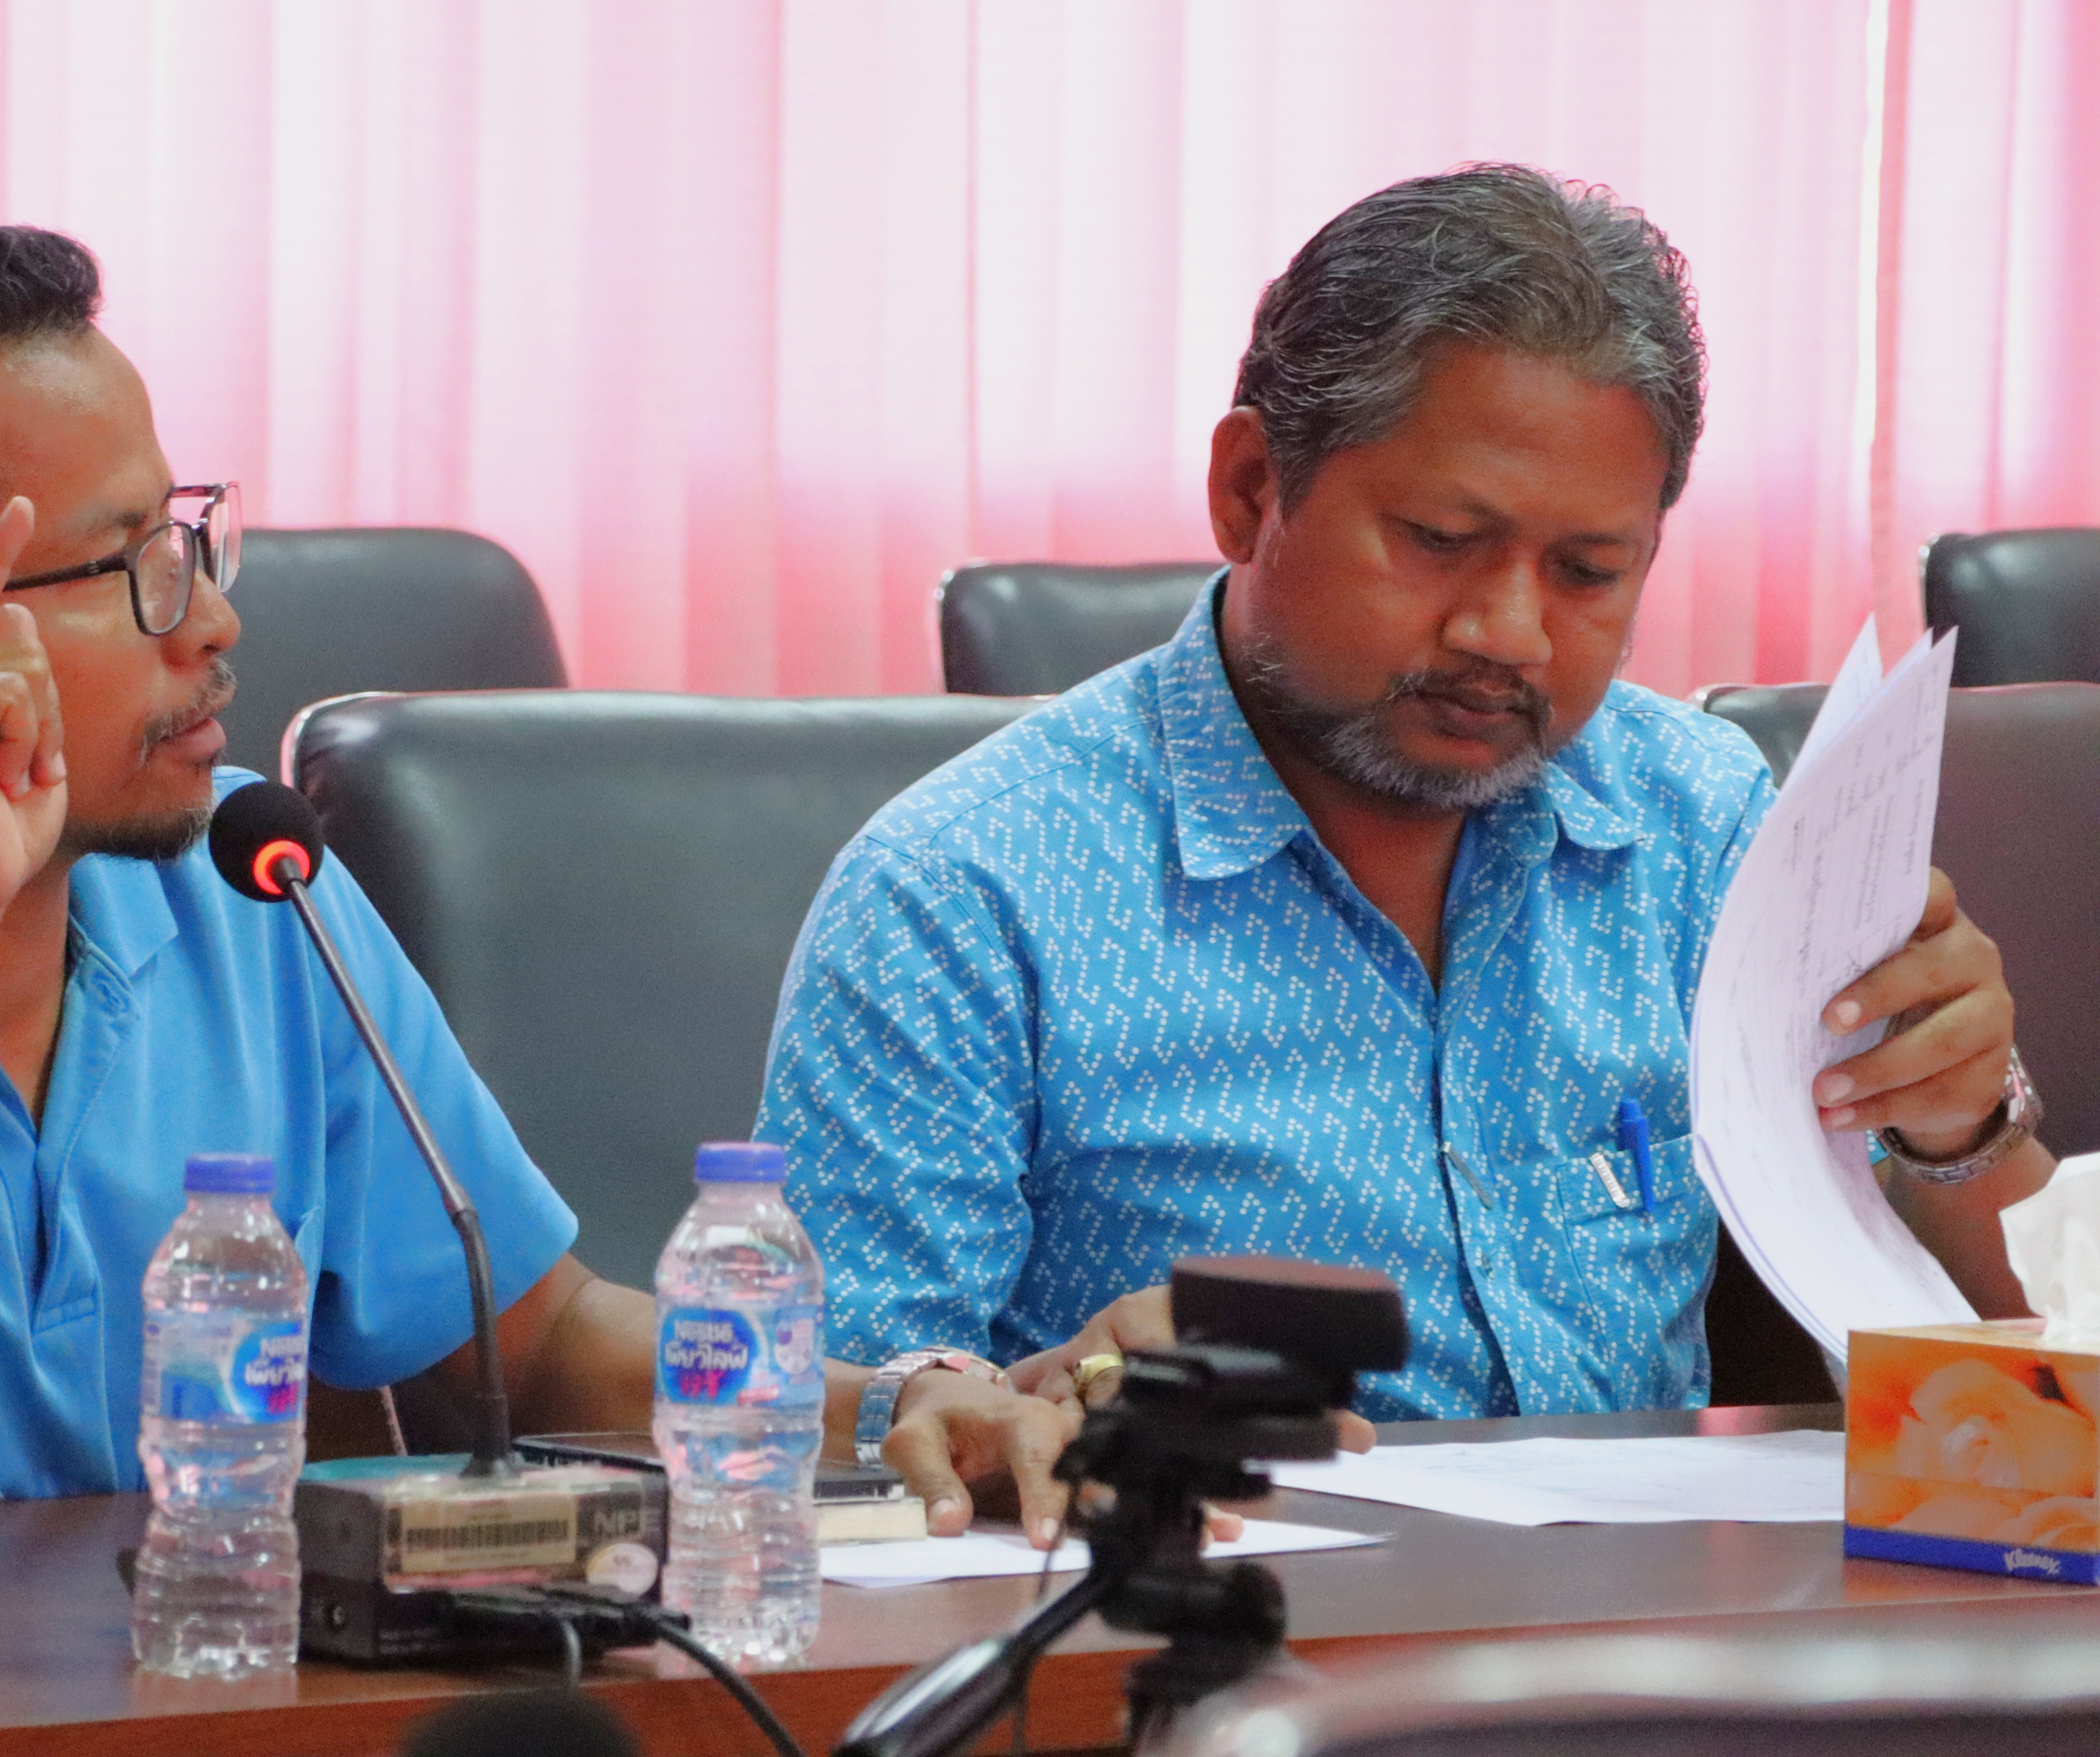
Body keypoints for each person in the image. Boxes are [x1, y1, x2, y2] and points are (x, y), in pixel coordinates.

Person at [0, 217, 1082, 1591]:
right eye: (127, 566)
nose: (212, 621)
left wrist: (884, 1412)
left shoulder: (242, 904)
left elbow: (534, 1340)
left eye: (188, 537)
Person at [758, 164, 2050, 1424]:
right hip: (1218, 1563)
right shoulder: (965, 892)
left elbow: (2023, 1368)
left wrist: (1959, 1128)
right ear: (1251, 489)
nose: (1511, 633)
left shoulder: (1697, 823)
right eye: (1440, 541)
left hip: (1644, 1565)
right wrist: (1015, 1409)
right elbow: (854, 1429)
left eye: (1589, 572)